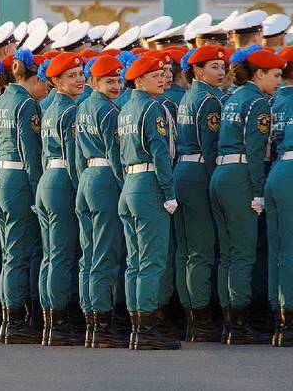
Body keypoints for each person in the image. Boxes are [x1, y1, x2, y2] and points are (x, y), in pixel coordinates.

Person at [209, 46, 284, 345]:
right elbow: (255, 150)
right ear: (259, 73)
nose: (279, 81)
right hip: (241, 177)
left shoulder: (232, 98)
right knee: (242, 254)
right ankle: (239, 325)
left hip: (221, 174)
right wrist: (257, 190)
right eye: (275, 75)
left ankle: (230, 321)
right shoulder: (257, 103)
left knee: (227, 255)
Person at [117, 55, 180, 350]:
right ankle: (146, 329)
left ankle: (136, 326)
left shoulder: (126, 108)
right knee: (151, 262)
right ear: (139, 80)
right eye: (155, 75)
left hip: (130, 184)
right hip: (150, 185)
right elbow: (160, 153)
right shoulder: (152, 108)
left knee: (134, 262)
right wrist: (169, 193)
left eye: (163, 74)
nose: (162, 79)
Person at [0, 48, 47, 345]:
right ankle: (15, 322)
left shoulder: (1, 100)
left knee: (8, 252)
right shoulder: (26, 105)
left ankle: (8, 319)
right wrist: (38, 189)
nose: (46, 89)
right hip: (19, 180)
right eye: (45, 82)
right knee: (19, 253)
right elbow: (31, 153)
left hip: (1, 176)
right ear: (34, 78)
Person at [74, 55, 127, 348]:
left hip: (87, 179)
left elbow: (77, 154)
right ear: (94, 82)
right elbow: (117, 157)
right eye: (109, 81)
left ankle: (91, 318)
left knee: (90, 254)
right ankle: (103, 323)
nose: (116, 85)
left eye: (119, 80)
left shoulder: (83, 107)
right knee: (105, 253)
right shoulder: (108, 112)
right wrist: (124, 187)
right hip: (106, 179)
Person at [174, 46, 226, 342]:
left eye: (221, 66)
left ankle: (190, 316)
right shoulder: (208, 100)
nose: (220, 72)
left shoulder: (188, 96)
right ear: (198, 71)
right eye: (214, 67)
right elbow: (210, 150)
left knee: (186, 250)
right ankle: (201, 320)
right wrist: (213, 186)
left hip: (183, 170)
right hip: (198, 174)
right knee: (201, 250)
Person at [36, 52, 84, 346]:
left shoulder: (49, 107)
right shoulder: (69, 111)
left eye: (80, 73)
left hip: (48, 179)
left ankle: (50, 320)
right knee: (64, 253)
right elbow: (75, 157)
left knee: (51, 254)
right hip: (63, 179)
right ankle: (60, 322)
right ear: (55, 81)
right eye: (71, 75)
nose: (79, 79)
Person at [265, 46, 293, 347]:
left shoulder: (274, 103)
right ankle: (289, 323)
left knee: (277, 249)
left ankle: (278, 320)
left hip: (276, 171)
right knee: (290, 251)